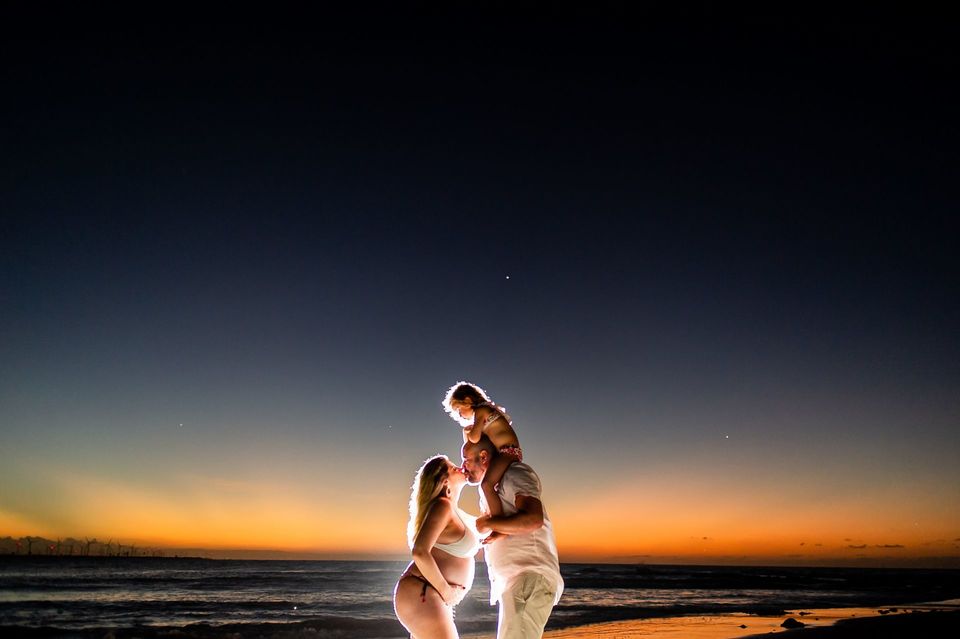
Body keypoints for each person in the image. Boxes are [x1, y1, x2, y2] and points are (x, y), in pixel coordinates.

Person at [461, 436, 564, 639]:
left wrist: (489, 524)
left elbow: (533, 519)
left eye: (466, 459)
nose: (463, 466)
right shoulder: (492, 488)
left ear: (484, 457)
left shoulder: (514, 474)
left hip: (530, 576)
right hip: (517, 581)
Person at [394, 454, 482, 639]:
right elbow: (419, 552)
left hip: (429, 593)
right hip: (423, 590)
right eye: (453, 468)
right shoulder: (443, 506)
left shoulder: (455, 512)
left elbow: (488, 526)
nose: (461, 467)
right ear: (444, 481)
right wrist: (446, 591)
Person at [443, 381, 522, 518]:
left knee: (486, 485)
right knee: (492, 482)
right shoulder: (486, 411)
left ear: (468, 401)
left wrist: (467, 432)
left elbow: (474, 438)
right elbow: (474, 444)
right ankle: (493, 514)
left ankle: (498, 521)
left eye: (459, 410)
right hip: (506, 452)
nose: (460, 415)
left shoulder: (481, 411)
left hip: (508, 452)